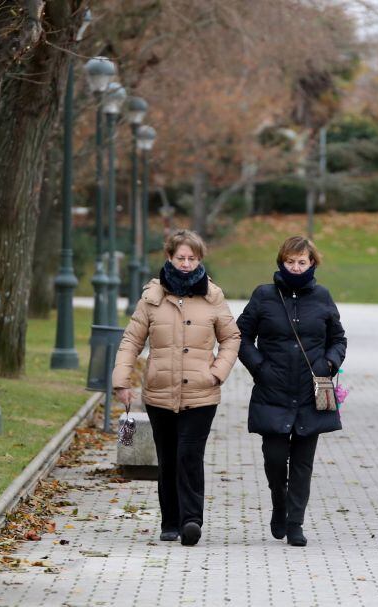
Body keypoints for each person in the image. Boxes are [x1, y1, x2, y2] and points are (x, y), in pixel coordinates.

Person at [113, 229, 241, 547]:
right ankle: (169, 521)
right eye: (180, 257)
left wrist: (217, 373)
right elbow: (131, 340)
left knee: (189, 454)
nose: (186, 263)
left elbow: (231, 338)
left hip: (201, 393)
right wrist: (121, 381)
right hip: (159, 392)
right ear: (169, 257)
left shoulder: (213, 297)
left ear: (200, 260)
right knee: (167, 457)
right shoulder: (152, 298)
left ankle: (191, 520)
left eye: (192, 258)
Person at [236, 235, 347, 547]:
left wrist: (330, 362)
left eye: (302, 262)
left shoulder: (323, 297)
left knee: (302, 463)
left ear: (312, 263)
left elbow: (338, 339)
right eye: (290, 261)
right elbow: (240, 335)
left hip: (311, 391)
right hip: (273, 389)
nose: (296, 268)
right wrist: (259, 367)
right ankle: (280, 504)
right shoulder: (264, 296)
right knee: (274, 459)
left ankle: (295, 522)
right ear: (281, 262)